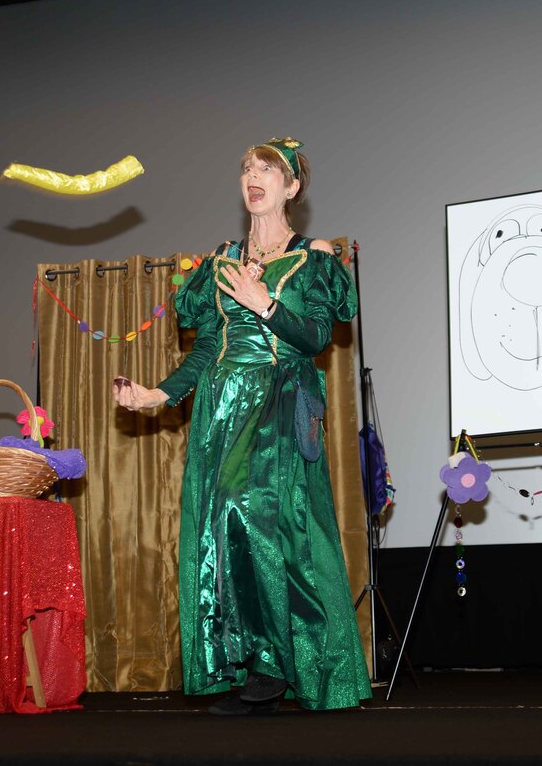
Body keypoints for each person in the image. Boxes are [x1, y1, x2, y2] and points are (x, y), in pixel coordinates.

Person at [113, 137, 372, 714]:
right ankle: (258, 665)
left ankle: (312, 664)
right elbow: (208, 349)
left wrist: (265, 303)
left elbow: (315, 338)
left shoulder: (311, 259)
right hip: (221, 407)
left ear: (292, 188)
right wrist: (161, 394)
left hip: (280, 402)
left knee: (282, 533)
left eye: (268, 170)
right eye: (247, 169)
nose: (253, 177)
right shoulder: (222, 261)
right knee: (225, 526)